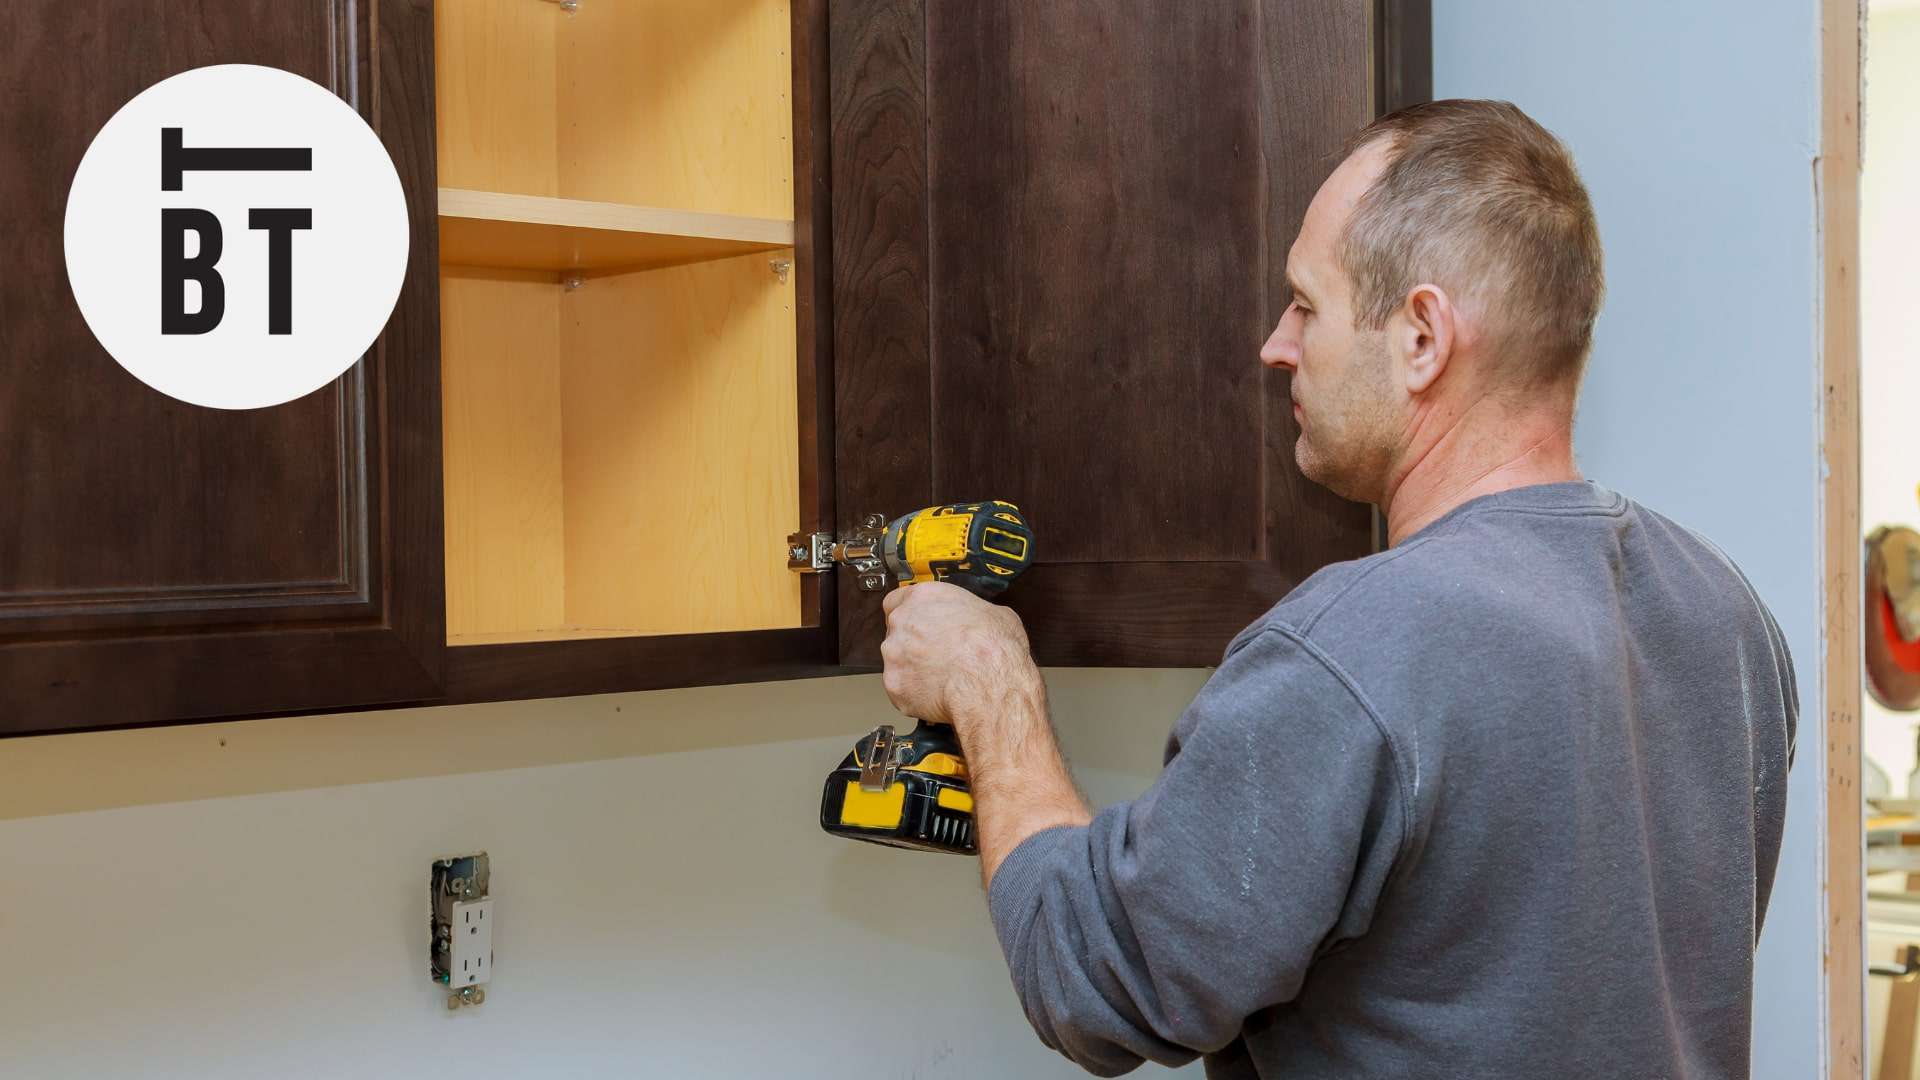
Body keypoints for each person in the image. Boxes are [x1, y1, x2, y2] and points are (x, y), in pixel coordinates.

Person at [876, 99, 1797, 1078]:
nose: (1277, 344)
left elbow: (1102, 989)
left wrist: (990, 687)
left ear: (1422, 337)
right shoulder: (1729, 613)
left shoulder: (1356, 648)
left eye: (1307, 304)